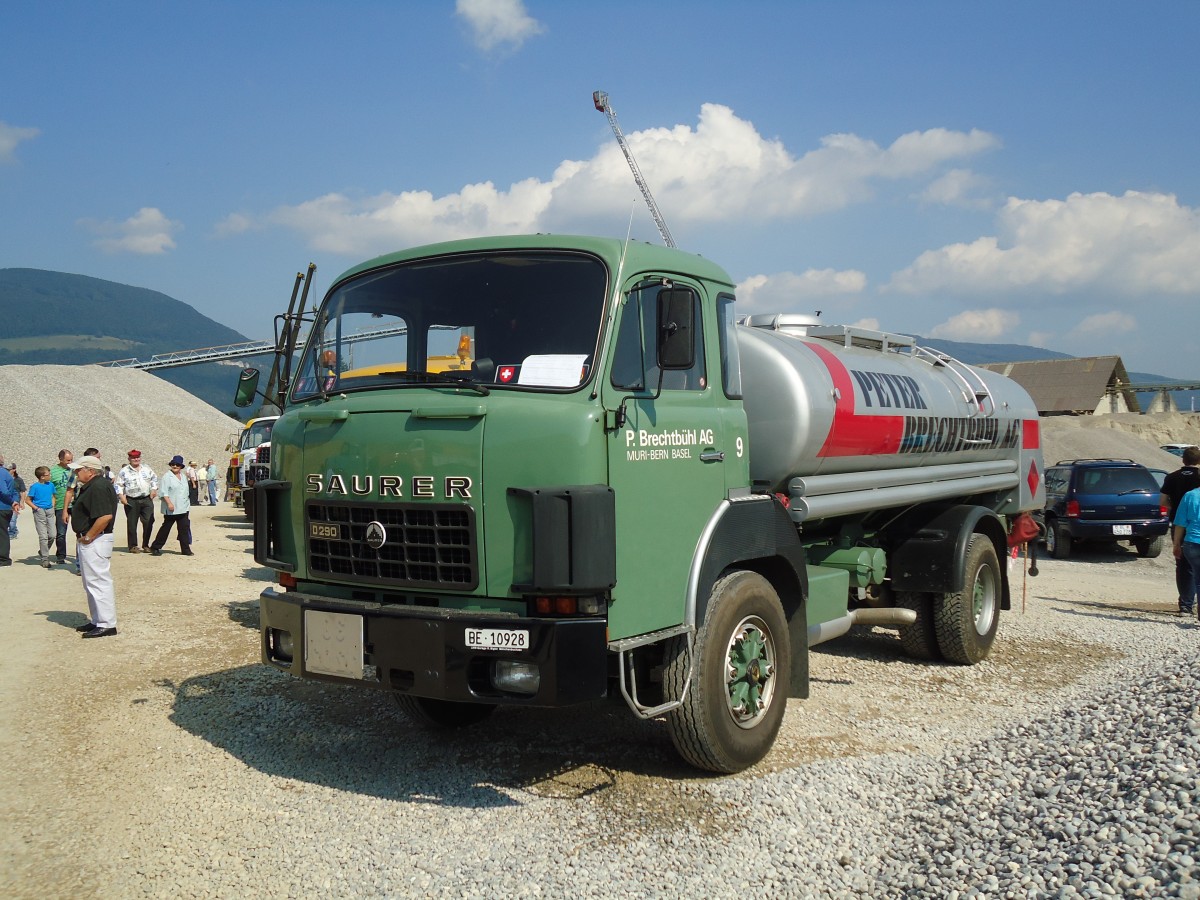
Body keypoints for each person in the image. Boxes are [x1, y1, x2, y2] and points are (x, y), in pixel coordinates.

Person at [68, 454, 119, 637]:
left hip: (96, 540)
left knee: (98, 581)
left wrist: (89, 537)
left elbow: (105, 516)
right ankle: (97, 620)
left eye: (79, 470)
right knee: (90, 582)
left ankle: (107, 623)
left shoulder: (98, 487)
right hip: (92, 539)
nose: (76, 473)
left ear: (90, 471)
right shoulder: (92, 486)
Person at [1160, 446, 1200, 616]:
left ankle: (1185, 604)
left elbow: (1162, 501)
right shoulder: (1199, 477)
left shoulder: (1171, 477)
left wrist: (1176, 508)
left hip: (1178, 524)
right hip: (1196, 524)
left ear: (1183, 459)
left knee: (1182, 564)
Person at [114, 449, 158, 552]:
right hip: (131, 500)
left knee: (149, 521)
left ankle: (146, 545)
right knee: (132, 523)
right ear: (129, 459)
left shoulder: (147, 469)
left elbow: (154, 479)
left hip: (146, 498)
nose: (136, 459)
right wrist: (121, 496)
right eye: (133, 458)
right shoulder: (124, 471)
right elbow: (119, 484)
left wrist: (154, 489)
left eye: (137, 457)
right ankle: (133, 546)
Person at [150, 456, 193, 556]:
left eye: (177, 465)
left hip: (183, 507)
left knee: (184, 529)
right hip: (172, 508)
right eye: (173, 464)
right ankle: (155, 547)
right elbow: (163, 492)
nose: (175, 466)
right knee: (166, 528)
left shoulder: (183, 476)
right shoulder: (166, 477)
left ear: (181, 466)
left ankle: (186, 549)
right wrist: (169, 503)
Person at [1171, 484, 1200, 622]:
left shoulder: (1190, 495)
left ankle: (1191, 607)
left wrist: (1176, 544)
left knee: (1196, 578)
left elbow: (1180, 523)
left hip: (1192, 542)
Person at [26, 465, 57, 568]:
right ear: (42, 477)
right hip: (39, 511)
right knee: (43, 536)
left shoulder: (51, 485)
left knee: (52, 534)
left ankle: (43, 550)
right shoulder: (35, 487)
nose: (50, 476)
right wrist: (36, 508)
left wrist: (52, 505)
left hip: (49, 510)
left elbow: (53, 496)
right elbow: (28, 500)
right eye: (48, 474)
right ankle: (45, 559)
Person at [49, 449, 74, 565]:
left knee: (80, 530)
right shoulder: (53, 472)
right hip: (60, 505)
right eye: (67, 460)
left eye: (71, 460)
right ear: (60, 459)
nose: (70, 462)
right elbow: (48, 489)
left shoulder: (75, 469)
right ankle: (61, 555)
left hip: (75, 504)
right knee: (61, 532)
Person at [0, 454, 19, 567]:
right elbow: (15, 491)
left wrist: (12, 502)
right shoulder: (6, 473)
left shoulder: (1, 473)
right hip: (6, 507)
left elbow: (4, 491)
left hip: (2, 507)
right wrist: (14, 501)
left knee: (2, 533)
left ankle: (3, 559)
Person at [7, 462, 26, 537]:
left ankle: (12, 533)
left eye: (9, 470)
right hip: (7, 501)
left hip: (16, 502)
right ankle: (14, 529)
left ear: (14, 470)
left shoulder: (19, 480)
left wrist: (22, 502)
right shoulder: (4, 479)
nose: (7, 471)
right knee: (7, 519)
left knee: (13, 519)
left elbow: (23, 491)